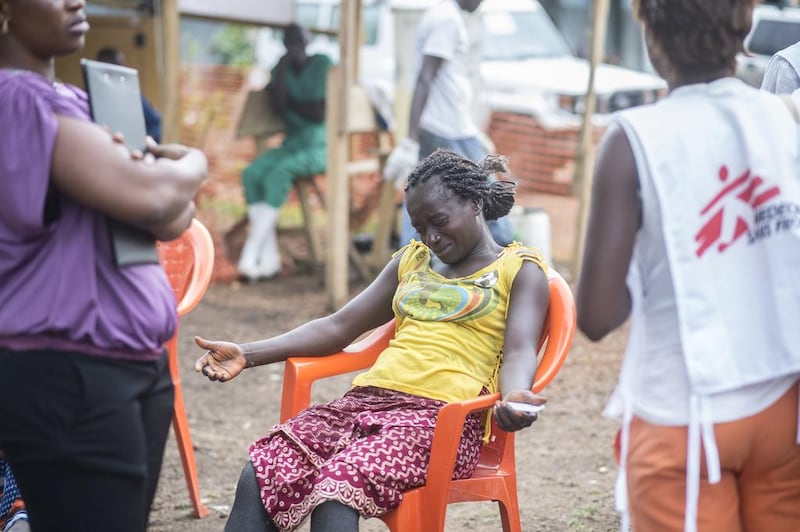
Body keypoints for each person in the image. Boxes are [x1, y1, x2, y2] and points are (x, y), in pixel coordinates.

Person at [195, 149, 549, 532]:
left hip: (440, 420)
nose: (431, 236)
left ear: (476, 203)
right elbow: (339, 326)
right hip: (365, 405)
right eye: (419, 226)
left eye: (440, 221)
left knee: (337, 491)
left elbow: (518, 350)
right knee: (264, 471)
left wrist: (515, 398)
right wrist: (248, 354)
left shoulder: (518, 269)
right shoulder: (412, 261)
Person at [575, 1, 800, 531]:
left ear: (651, 36)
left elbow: (596, 315)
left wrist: (665, 258)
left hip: (681, 414)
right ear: (744, 27)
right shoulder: (787, 118)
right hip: (783, 408)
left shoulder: (630, 140)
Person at [0, 0, 208, 530]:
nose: (76, 1)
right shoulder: (16, 100)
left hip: (133, 363)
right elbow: (159, 199)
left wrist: (162, 185)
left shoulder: (72, 100)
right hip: (68, 373)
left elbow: (168, 220)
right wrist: (193, 162)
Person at [382, 0, 514, 248]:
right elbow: (425, 77)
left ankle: (412, 255)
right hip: (447, 127)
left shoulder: (443, 14)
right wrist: (410, 138)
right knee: (487, 190)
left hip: (448, 123)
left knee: (425, 190)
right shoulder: (446, 20)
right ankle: (507, 256)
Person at [237, 23, 333, 281]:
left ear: (307, 41)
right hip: (293, 142)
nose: (295, 48)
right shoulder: (282, 69)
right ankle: (267, 259)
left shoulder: (322, 63)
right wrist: (282, 70)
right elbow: (277, 105)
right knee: (252, 173)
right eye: (289, 43)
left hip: (319, 144)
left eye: (298, 42)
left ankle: (251, 253)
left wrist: (288, 100)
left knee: (278, 174)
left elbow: (318, 111)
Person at [95, 46, 163, 142]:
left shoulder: (131, 96)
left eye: (116, 66)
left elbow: (155, 122)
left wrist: (145, 143)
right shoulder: (89, 96)